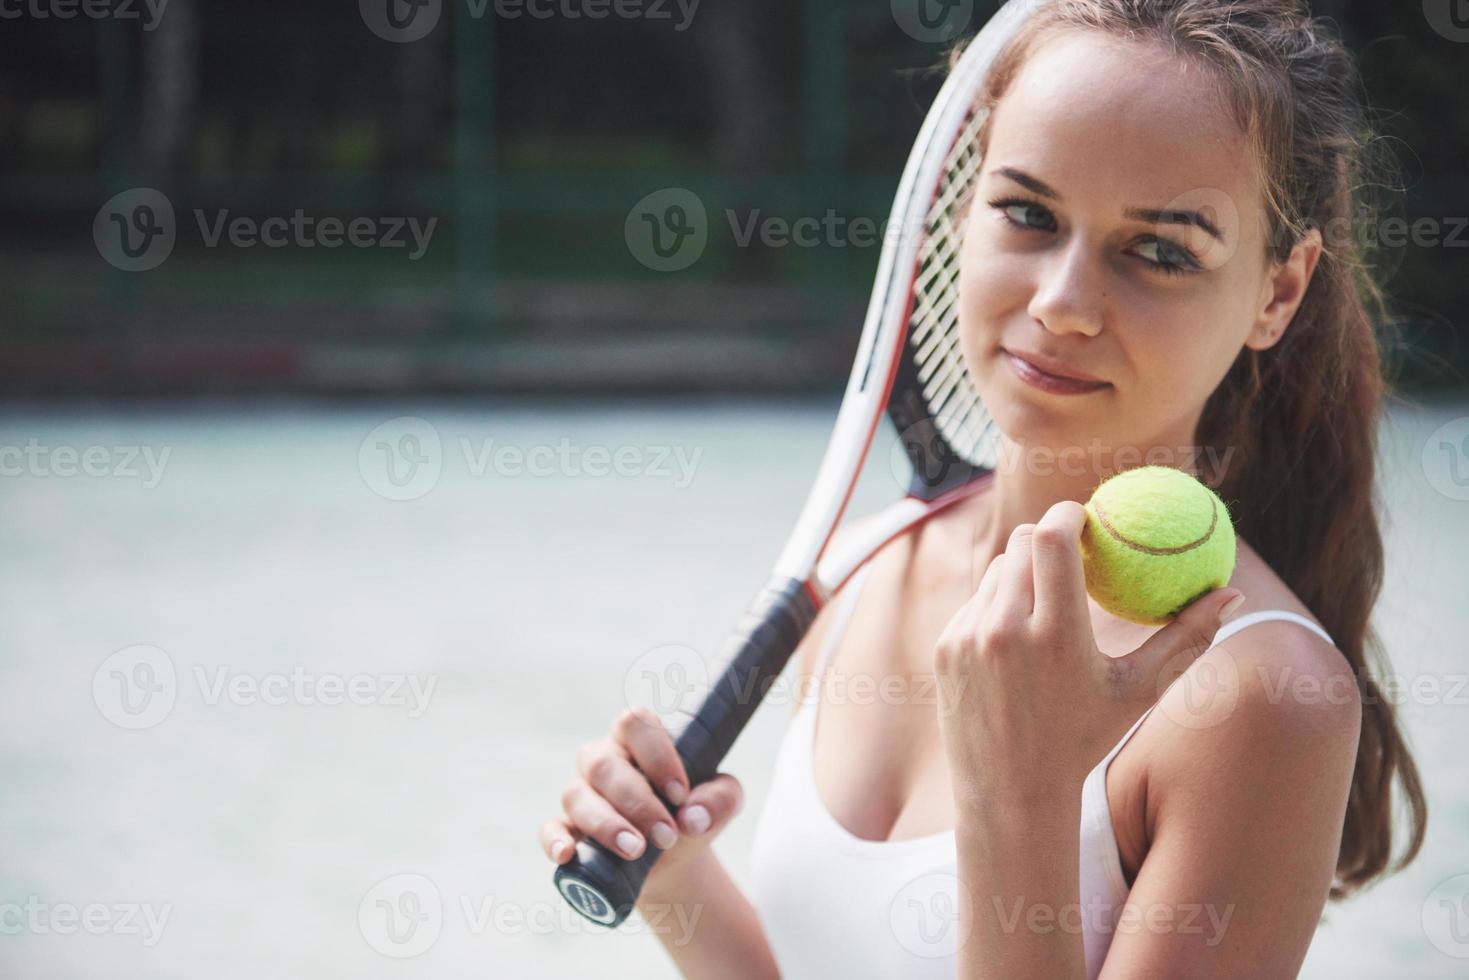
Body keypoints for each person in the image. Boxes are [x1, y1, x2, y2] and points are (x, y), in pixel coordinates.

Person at [540, 1, 1426, 976]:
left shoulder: (1265, 696)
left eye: (1161, 250)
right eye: (1027, 213)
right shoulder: (864, 571)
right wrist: (678, 885)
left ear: (1277, 291)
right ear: (961, 206)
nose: (1060, 304)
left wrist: (1025, 796)